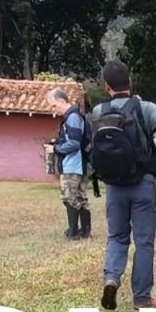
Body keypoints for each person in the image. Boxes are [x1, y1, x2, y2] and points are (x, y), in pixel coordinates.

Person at [89, 61, 156, 310]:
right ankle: (142, 297)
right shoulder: (145, 108)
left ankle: (111, 278)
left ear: (107, 86)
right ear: (130, 82)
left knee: (117, 237)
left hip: (114, 187)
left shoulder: (99, 111)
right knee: (143, 242)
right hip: (142, 184)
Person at [48, 88, 92, 241]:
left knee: (70, 198)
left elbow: (74, 142)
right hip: (79, 164)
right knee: (80, 198)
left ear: (61, 100)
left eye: (54, 105)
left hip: (73, 164)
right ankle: (84, 231)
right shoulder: (75, 116)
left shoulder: (72, 117)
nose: (53, 110)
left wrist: (56, 148)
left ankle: (73, 232)